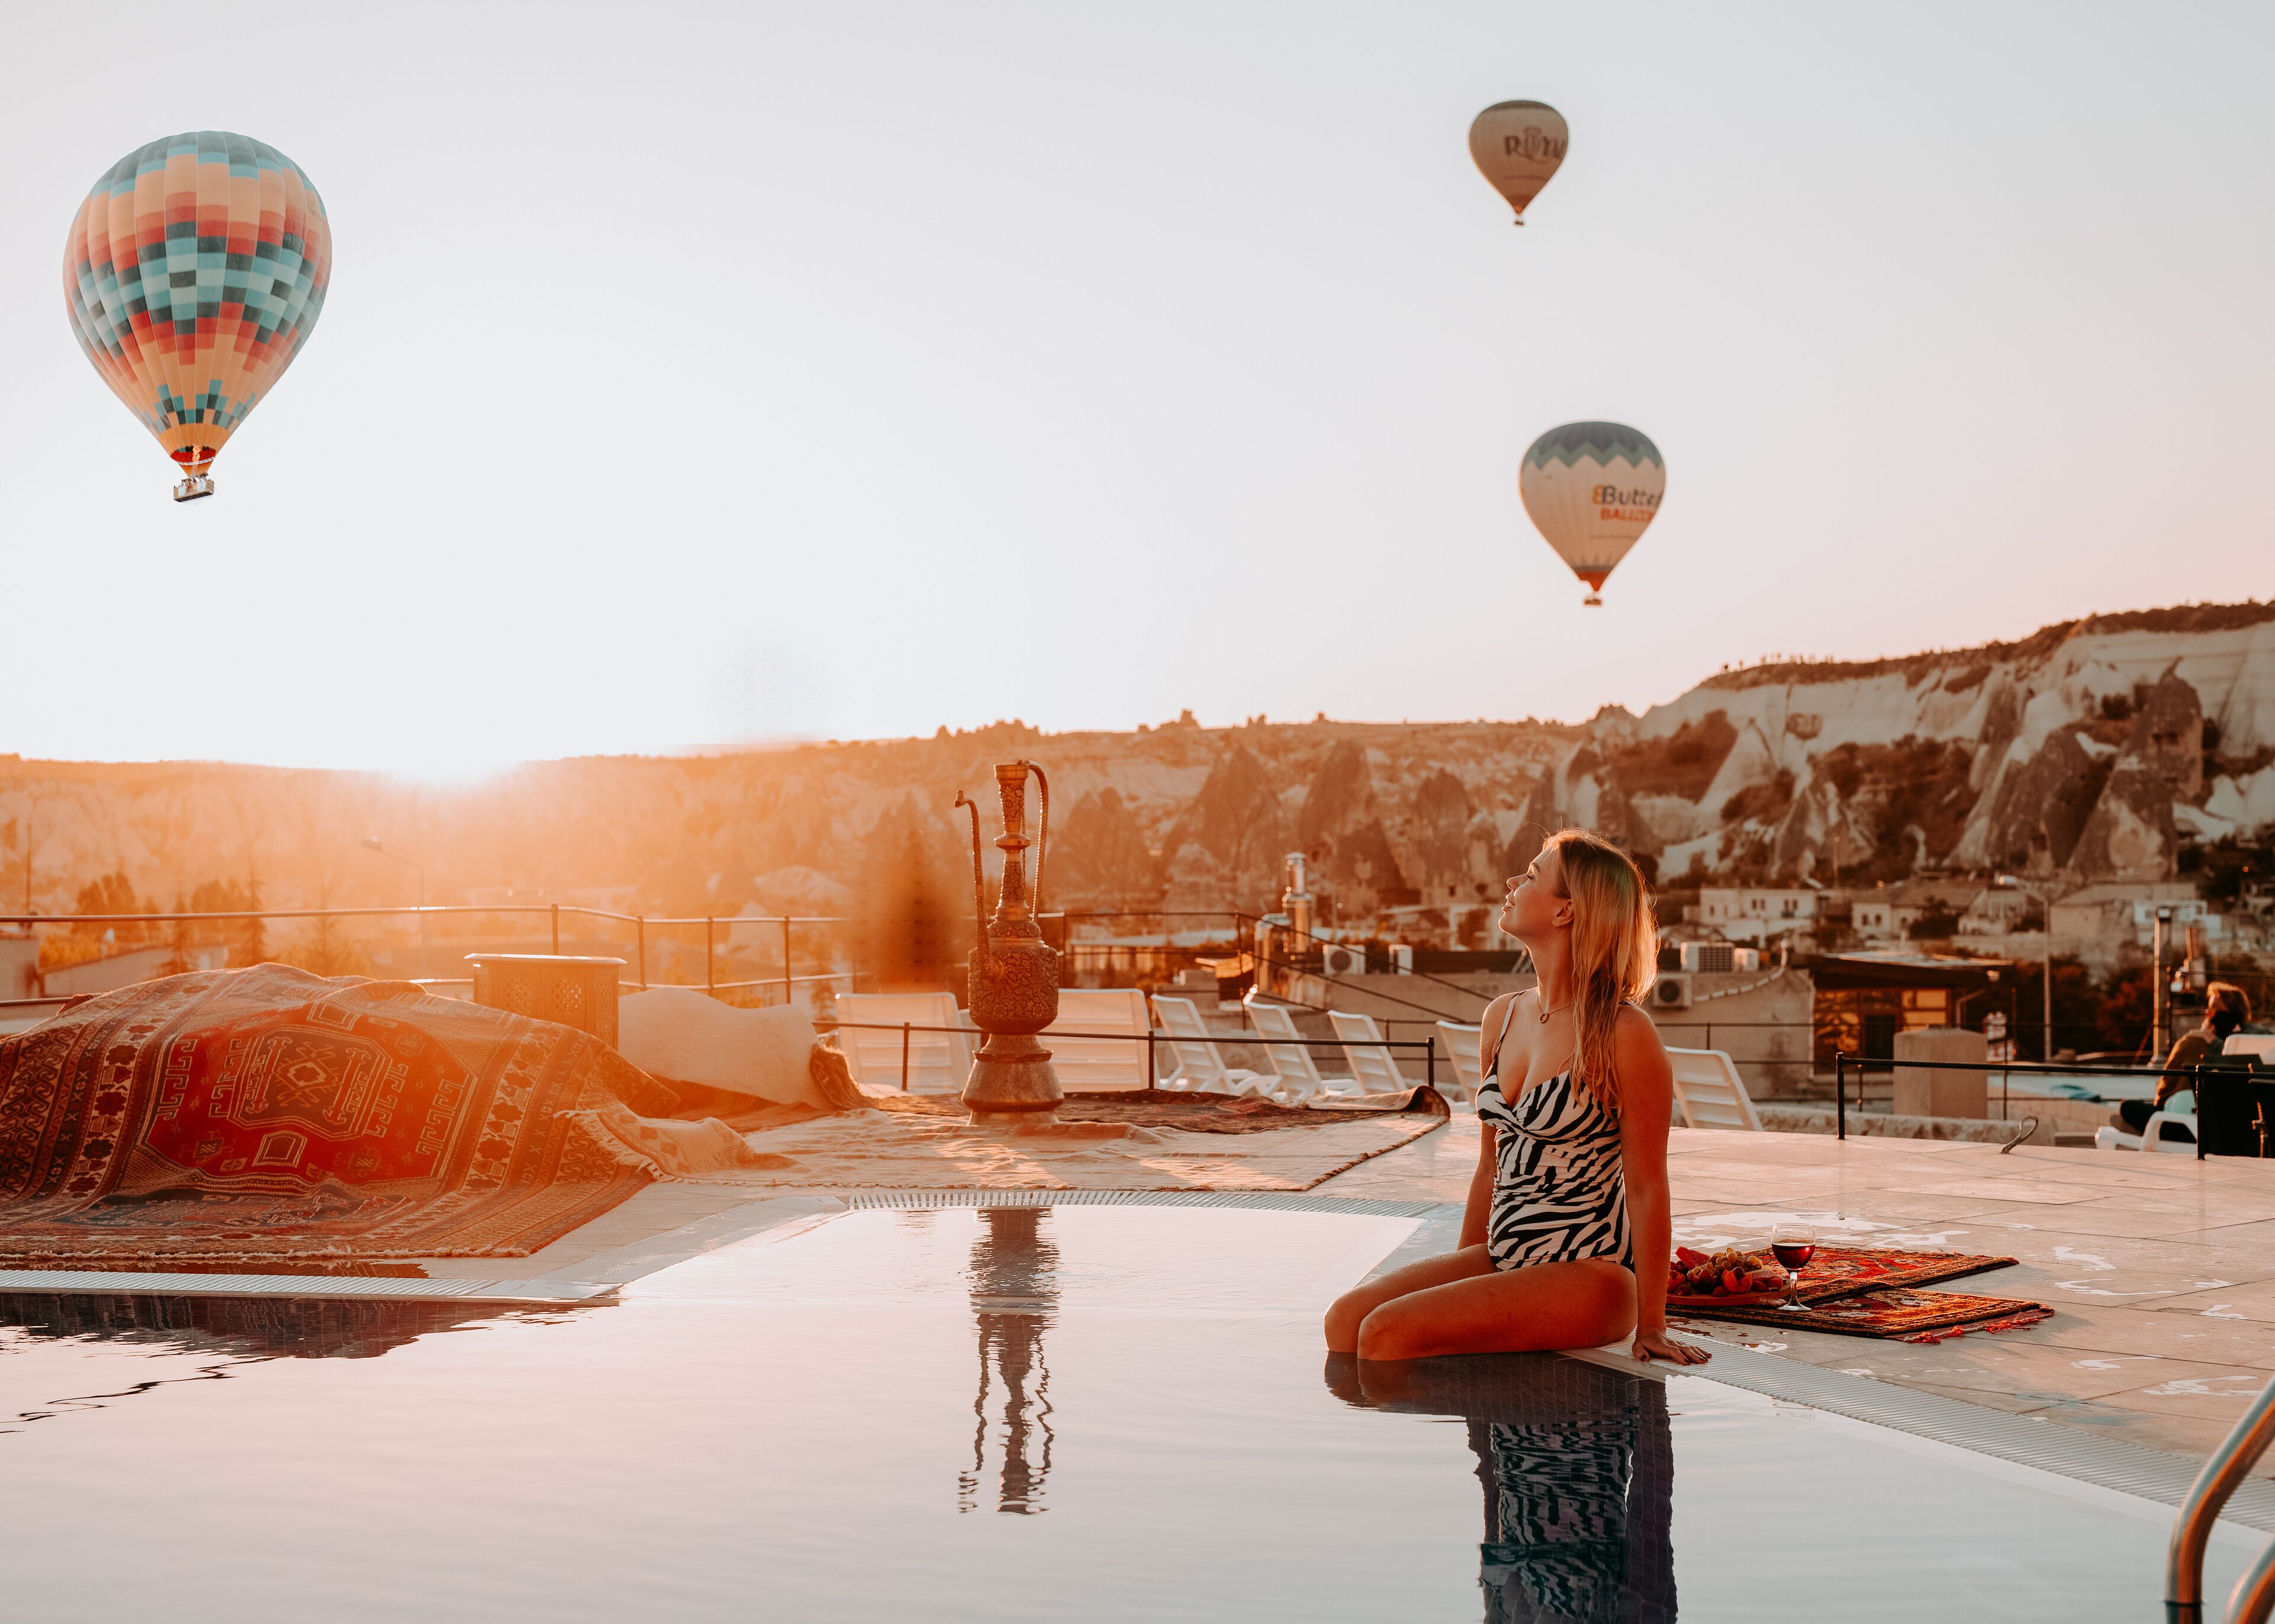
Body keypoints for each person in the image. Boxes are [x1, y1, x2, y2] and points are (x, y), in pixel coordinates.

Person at [1323, 829, 1707, 1367]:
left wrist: (1653, 1325)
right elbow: (1489, 1169)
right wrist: (1461, 1282)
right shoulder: (1501, 1017)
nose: (1511, 881)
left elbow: (1647, 1186)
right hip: (1508, 1257)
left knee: (1387, 1333)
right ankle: (1483, 1439)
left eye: (1531, 876)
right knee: (1344, 1323)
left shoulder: (1623, 1031)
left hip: (1589, 1273)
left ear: (1565, 913)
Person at [2116, 982, 2254, 1135]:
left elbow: (2166, 1086)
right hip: (2205, 1117)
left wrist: (2211, 1041)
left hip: (2188, 1116)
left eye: (2214, 1008)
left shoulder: (2202, 1042)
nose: (2208, 1014)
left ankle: (2174, 1128)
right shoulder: (2237, 1043)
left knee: (2128, 1107)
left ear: (2232, 1013)